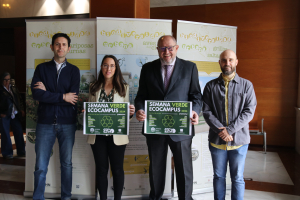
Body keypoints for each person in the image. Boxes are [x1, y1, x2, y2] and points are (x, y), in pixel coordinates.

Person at [135, 35, 202, 200]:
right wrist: (140, 109)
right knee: (156, 168)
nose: (166, 52)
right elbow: (141, 96)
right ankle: (155, 197)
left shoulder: (189, 68)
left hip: (181, 127)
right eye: (162, 48)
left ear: (176, 48)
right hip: (155, 127)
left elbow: (196, 96)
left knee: (184, 168)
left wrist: (195, 111)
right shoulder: (147, 68)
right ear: (157, 49)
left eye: (170, 48)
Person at [31, 33, 80, 200]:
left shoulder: (74, 71)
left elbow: (72, 98)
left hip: (67, 124)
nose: (60, 47)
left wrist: (49, 94)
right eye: (57, 44)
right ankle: (38, 197)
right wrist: (61, 97)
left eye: (64, 44)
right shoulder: (41, 68)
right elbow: (37, 95)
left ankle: (66, 197)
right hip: (45, 123)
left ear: (69, 48)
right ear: (52, 47)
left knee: (66, 164)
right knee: (40, 166)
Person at [202, 49, 257, 200]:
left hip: (239, 142)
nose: (228, 63)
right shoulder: (210, 86)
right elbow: (206, 112)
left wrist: (229, 131)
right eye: (224, 60)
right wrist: (222, 131)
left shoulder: (247, 86)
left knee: (237, 178)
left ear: (236, 62)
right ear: (219, 63)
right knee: (218, 177)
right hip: (217, 141)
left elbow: (249, 112)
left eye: (231, 60)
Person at [86, 55, 135, 200]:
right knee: (101, 170)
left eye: (112, 65)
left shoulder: (123, 87)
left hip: (117, 137)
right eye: (106, 65)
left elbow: (125, 115)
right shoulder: (93, 87)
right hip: (98, 136)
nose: (109, 68)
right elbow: (90, 110)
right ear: (101, 67)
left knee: (118, 170)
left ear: (116, 68)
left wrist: (130, 114)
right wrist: (87, 113)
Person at [0, 72, 25, 159]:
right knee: (6, 134)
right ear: (2, 80)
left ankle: (21, 151)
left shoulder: (13, 87)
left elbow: (19, 98)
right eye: (5, 80)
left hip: (15, 113)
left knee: (18, 132)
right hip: (4, 114)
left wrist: (21, 108)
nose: (7, 82)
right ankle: (7, 153)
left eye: (9, 79)